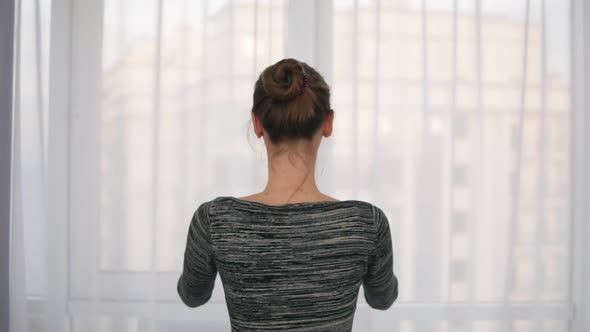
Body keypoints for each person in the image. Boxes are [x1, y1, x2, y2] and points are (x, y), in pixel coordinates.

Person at [177, 58, 398, 331]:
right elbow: (382, 298)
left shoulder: (213, 220)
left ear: (257, 123)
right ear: (328, 123)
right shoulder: (367, 223)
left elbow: (192, 295)